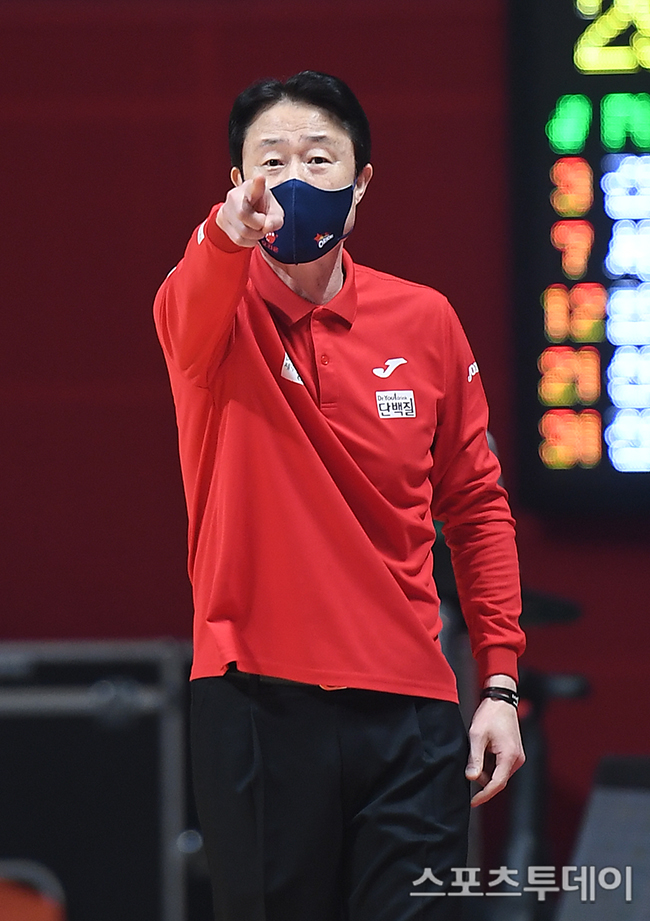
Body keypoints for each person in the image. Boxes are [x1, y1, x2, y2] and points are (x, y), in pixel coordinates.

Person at [154, 71, 526, 921]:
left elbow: (477, 508)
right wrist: (224, 235)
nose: (294, 177)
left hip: (413, 713)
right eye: (271, 160)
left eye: (319, 159)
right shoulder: (207, 314)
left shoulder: (425, 319)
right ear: (237, 184)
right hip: (257, 702)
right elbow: (197, 283)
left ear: (361, 183)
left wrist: (500, 683)